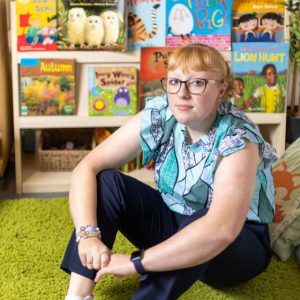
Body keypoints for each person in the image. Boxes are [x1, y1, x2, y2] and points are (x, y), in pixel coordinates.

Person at [61, 44, 277, 300]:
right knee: (107, 181)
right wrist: (87, 235)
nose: (182, 93)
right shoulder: (163, 111)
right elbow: (86, 167)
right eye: (175, 81)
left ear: (221, 89)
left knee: (203, 222)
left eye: (197, 83)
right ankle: (78, 296)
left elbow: (221, 229)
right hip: (176, 221)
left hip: (237, 247)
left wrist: (135, 262)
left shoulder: (238, 138)